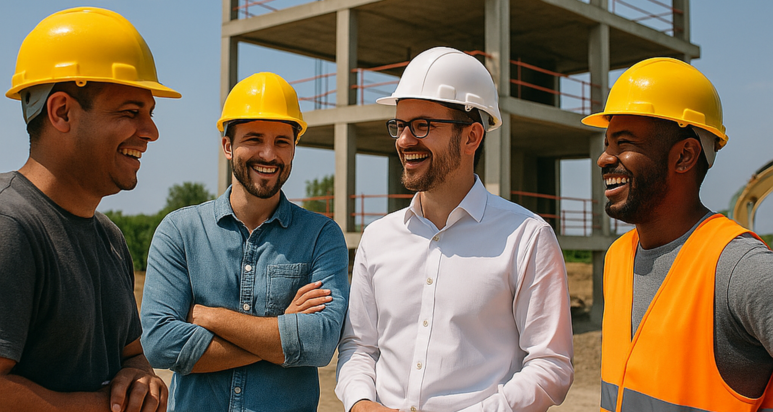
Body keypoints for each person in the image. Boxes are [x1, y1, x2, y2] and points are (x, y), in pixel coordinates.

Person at [335, 47, 574, 412]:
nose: (403, 141)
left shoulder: (527, 237)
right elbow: (359, 346)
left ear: (471, 137)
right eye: (399, 126)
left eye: (422, 125)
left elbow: (550, 364)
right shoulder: (378, 238)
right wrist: (361, 403)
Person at [0, 7, 180, 412]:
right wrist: (107, 406)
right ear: (61, 111)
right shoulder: (9, 225)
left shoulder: (109, 237)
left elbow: (133, 353)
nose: (151, 132)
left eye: (150, 114)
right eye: (132, 112)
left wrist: (139, 378)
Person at [140, 72, 350, 411]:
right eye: (254, 139)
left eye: (282, 141)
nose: (269, 154)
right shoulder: (179, 231)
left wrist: (211, 317)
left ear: (294, 148)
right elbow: (161, 344)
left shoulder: (321, 237)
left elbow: (321, 343)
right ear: (227, 145)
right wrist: (281, 332)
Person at [582, 57, 773, 412]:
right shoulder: (618, 257)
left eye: (623, 143)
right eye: (607, 143)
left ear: (685, 155)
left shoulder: (739, 269)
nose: (604, 159)